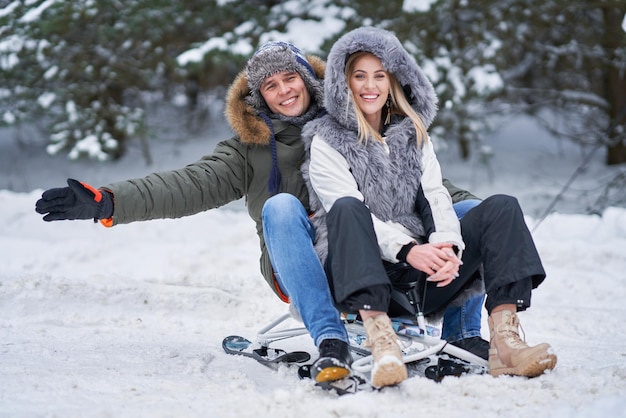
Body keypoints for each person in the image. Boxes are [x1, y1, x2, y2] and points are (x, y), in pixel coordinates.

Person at [34, 40, 486, 385]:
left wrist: (479, 215)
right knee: (283, 206)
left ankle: (462, 337)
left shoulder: (355, 126)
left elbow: (425, 184)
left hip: (380, 257)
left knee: (469, 212)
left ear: (308, 80)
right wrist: (108, 200)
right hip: (307, 264)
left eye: (289, 79)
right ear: (259, 97)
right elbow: (186, 184)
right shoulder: (247, 150)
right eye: (270, 86)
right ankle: (330, 340)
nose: (283, 91)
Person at [301, 27, 557, 388]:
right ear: (344, 83)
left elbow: (436, 197)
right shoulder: (326, 140)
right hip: (356, 274)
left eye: (379, 75)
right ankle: (381, 341)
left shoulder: (414, 134)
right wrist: (408, 250)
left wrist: (447, 246)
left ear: (393, 81)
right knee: (346, 207)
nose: (370, 85)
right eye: (359, 76)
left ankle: (505, 341)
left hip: (417, 278)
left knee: (501, 207)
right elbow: (345, 205)